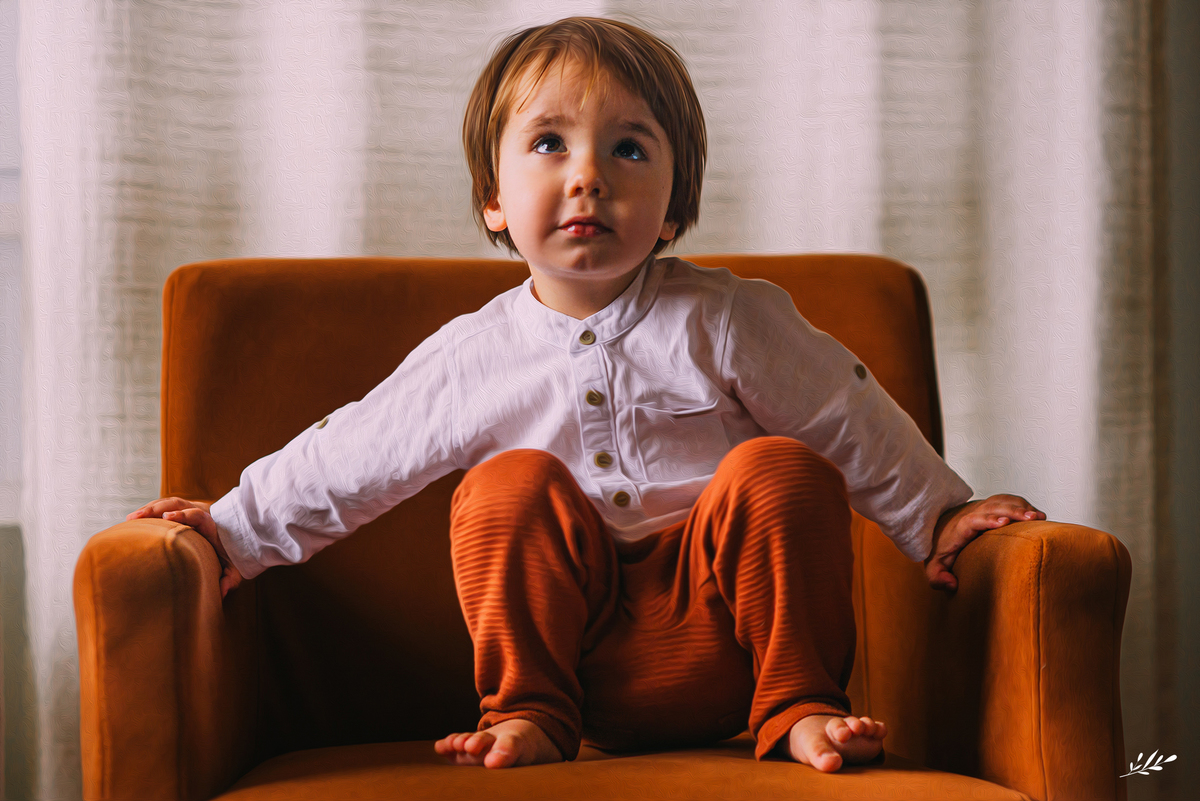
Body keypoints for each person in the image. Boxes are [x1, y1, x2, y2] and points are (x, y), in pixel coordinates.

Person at [128, 16, 1044, 775]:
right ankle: (527, 712)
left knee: (781, 465)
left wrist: (942, 513)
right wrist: (232, 530)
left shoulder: (726, 318)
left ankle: (799, 705)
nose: (589, 175)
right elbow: (355, 451)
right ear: (494, 196)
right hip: (581, 654)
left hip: (723, 628)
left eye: (629, 147)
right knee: (503, 485)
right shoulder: (473, 355)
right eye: (550, 143)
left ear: (674, 201)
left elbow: (850, 413)